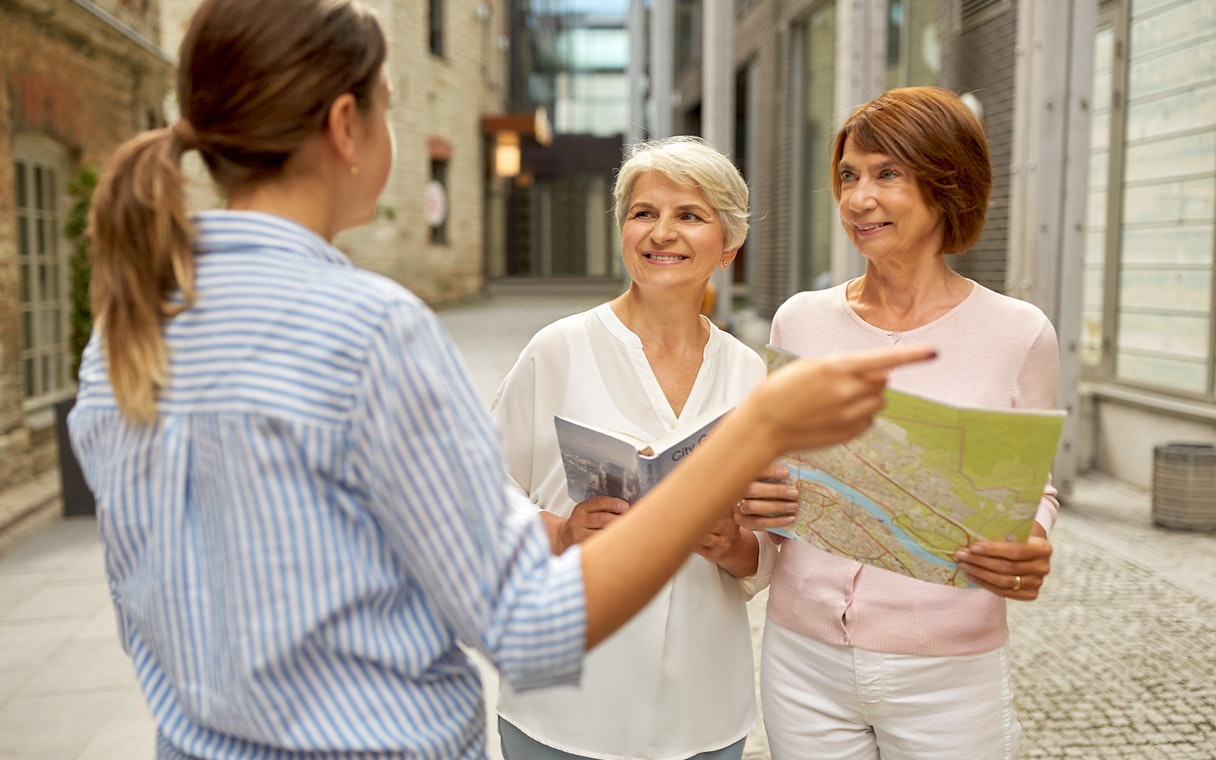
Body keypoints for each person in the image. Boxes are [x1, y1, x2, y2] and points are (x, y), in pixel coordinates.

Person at [67, 1, 936, 758]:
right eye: (388, 109)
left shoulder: (125, 328)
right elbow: (526, 626)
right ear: (345, 127)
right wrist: (749, 435)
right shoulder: (373, 333)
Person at [736, 86, 1060, 760]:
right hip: (803, 658)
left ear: (949, 183)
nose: (858, 198)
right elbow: (777, 467)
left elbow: (1035, 483)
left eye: (888, 173)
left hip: (948, 669)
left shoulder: (1018, 333)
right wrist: (754, 492)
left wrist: (1030, 539)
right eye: (850, 175)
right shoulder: (800, 321)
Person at [490, 136, 784, 760]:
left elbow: (775, 544)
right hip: (564, 700)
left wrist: (735, 546)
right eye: (644, 213)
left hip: (701, 709)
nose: (661, 233)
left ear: (728, 245)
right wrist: (560, 532)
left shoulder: (749, 374)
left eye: (690, 215)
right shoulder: (558, 349)